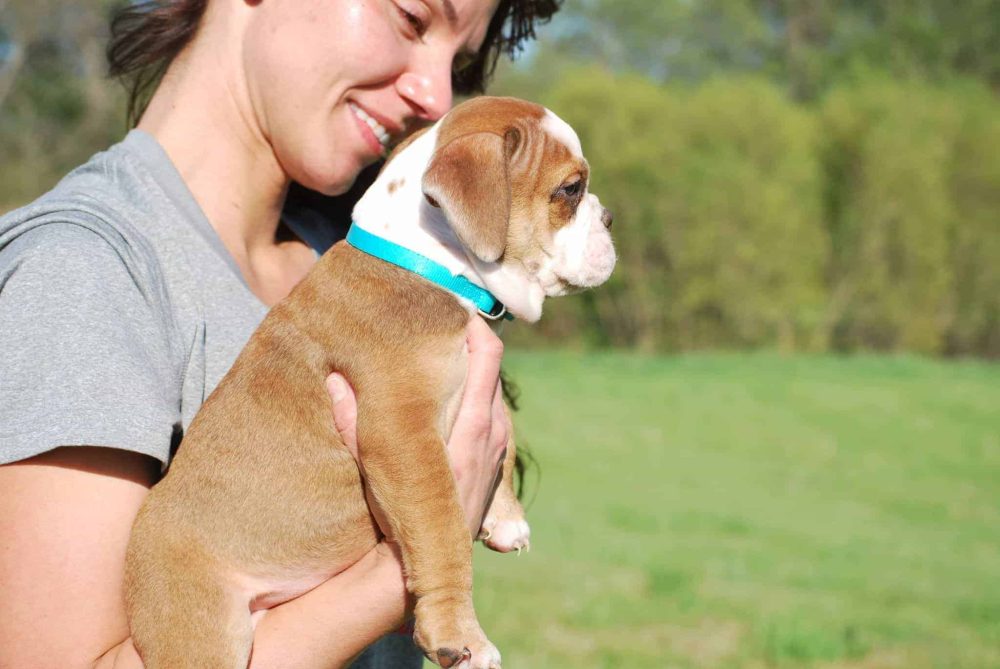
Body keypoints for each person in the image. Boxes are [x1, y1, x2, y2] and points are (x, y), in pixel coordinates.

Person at [0, 0, 559, 666]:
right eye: (411, 19)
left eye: (459, 62)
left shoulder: (362, 261)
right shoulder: (83, 271)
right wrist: (409, 574)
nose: (435, 95)